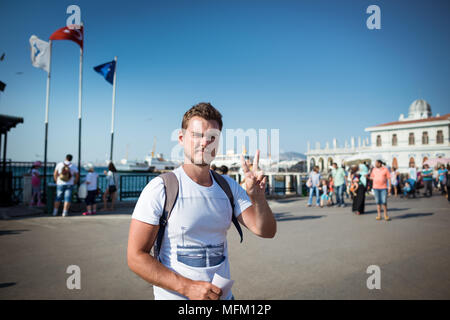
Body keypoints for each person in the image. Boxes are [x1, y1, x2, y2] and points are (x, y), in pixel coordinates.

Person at [127, 102, 276, 300]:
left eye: (212, 137)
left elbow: (266, 231)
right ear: (181, 138)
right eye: (196, 135)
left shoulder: (228, 187)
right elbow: (136, 257)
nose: (204, 142)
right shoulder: (161, 189)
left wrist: (258, 198)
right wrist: (187, 287)